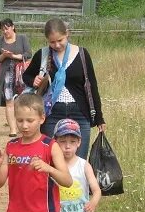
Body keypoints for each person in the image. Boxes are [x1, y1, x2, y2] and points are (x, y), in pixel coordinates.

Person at [23, 18, 105, 157]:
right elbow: (27, 76)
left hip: (80, 113)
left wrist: (99, 118)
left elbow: (92, 86)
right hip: (52, 113)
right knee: (52, 159)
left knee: (79, 161)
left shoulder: (82, 54)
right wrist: (34, 80)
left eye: (60, 40)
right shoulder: (42, 55)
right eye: (52, 42)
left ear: (67, 34)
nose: (57, 45)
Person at [0, 19, 32, 137]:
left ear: (13, 27)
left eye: (7, 28)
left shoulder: (22, 38)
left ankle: (24, 127)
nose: (5, 31)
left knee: (23, 101)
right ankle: (13, 129)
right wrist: (3, 56)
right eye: (3, 29)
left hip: (21, 73)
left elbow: (28, 54)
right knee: (9, 101)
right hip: (6, 74)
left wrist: (14, 56)